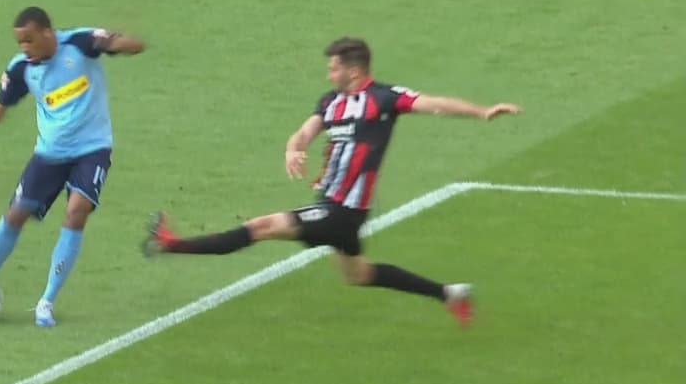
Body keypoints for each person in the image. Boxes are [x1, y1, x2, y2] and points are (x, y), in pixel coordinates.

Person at [143, 37, 522, 328]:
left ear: (353, 71)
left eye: (333, 68)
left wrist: (482, 112)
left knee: (260, 227)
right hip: (335, 208)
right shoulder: (330, 102)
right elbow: (304, 133)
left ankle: (171, 243)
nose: (329, 75)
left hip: (342, 210)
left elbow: (434, 103)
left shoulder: (384, 99)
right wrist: (293, 149)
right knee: (359, 274)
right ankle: (450, 294)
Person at [0, 6, 145, 328]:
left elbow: (129, 45)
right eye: (20, 42)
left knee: (76, 212)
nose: (25, 48)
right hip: (49, 154)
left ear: (48, 33)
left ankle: (46, 302)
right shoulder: (22, 69)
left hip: (92, 150)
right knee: (15, 214)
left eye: (29, 40)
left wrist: (121, 43)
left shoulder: (79, 43)